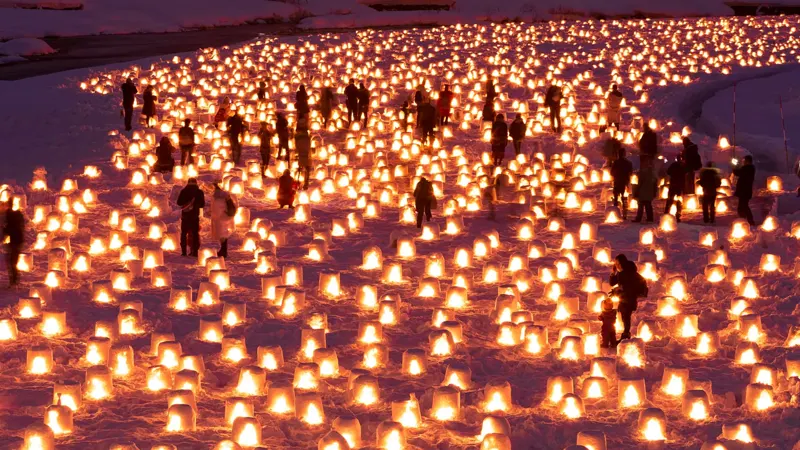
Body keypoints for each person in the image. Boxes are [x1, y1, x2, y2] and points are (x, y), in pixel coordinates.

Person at [609, 254, 648, 340]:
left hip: (629, 299)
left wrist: (617, 290)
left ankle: (626, 334)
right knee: (624, 316)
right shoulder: (621, 273)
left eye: (617, 263)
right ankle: (625, 334)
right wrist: (613, 273)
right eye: (615, 263)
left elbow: (628, 288)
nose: (616, 265)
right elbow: (612, 283)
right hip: (624, 299)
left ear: (622, 263)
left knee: (626, 317)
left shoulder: (629, 273)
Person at [177, 178, 205, 257]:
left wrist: (186, 201)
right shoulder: (199, 192)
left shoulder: (184, 191)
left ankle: (184, 252)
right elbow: (202, 205)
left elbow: (179, 203)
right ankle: (195, 252)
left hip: (185, 216)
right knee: (195, 234)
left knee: (183, 234)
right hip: (194, 217)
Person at [2, 200, 24, 287]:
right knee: (12, 261)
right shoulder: (16, 215)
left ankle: (14, 281)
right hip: (16, 241)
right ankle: (14, 280)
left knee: (12, 262)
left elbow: (9, 229)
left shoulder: (11, 216)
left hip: (15, 241)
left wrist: (4, 230)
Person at [210, 184, 236, 258]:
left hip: (221, 219)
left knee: (222, 236)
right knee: (223, 236)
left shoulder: (219, 198)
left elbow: (218, 208)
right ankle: (223, 250)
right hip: (224, 218)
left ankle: (223, 251)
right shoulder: (225, 196)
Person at [611, 147, 633, 219]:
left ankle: (615, 213)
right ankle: (624, 215)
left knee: (616, 198)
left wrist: (616, 175)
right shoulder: (628, 163)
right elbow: (631, 172)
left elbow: (612, 172)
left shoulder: (616, 163)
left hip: (617, 182)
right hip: (624, 182)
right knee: (624, 199)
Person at [733, 155, 756, 225]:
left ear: (747, 161)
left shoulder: (747, 168)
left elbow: (737, 173)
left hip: (744, 191)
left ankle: (748, 221)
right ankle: (745, 220)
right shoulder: (750, 169)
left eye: (744, 160)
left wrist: (735, 165)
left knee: (743, 206)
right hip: (746, 190)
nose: (743, 162)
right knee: (743, 206)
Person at [665, 156, 686, 222]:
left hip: (673, 184)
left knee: (670, 200)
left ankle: (666, 213)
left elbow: (668, 172)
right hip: (679, 186)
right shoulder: (683, 166)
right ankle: (678, 215)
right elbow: (685, 175)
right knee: (678, 201)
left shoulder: (673, 165)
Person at [295, 115, 312, 189]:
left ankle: (299, 182)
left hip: (302, 154)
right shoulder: (306, 137)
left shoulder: (298, 136)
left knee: (300, 168)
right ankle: (305, 183)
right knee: (306, 169)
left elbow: (297, 145)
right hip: (306, 153)